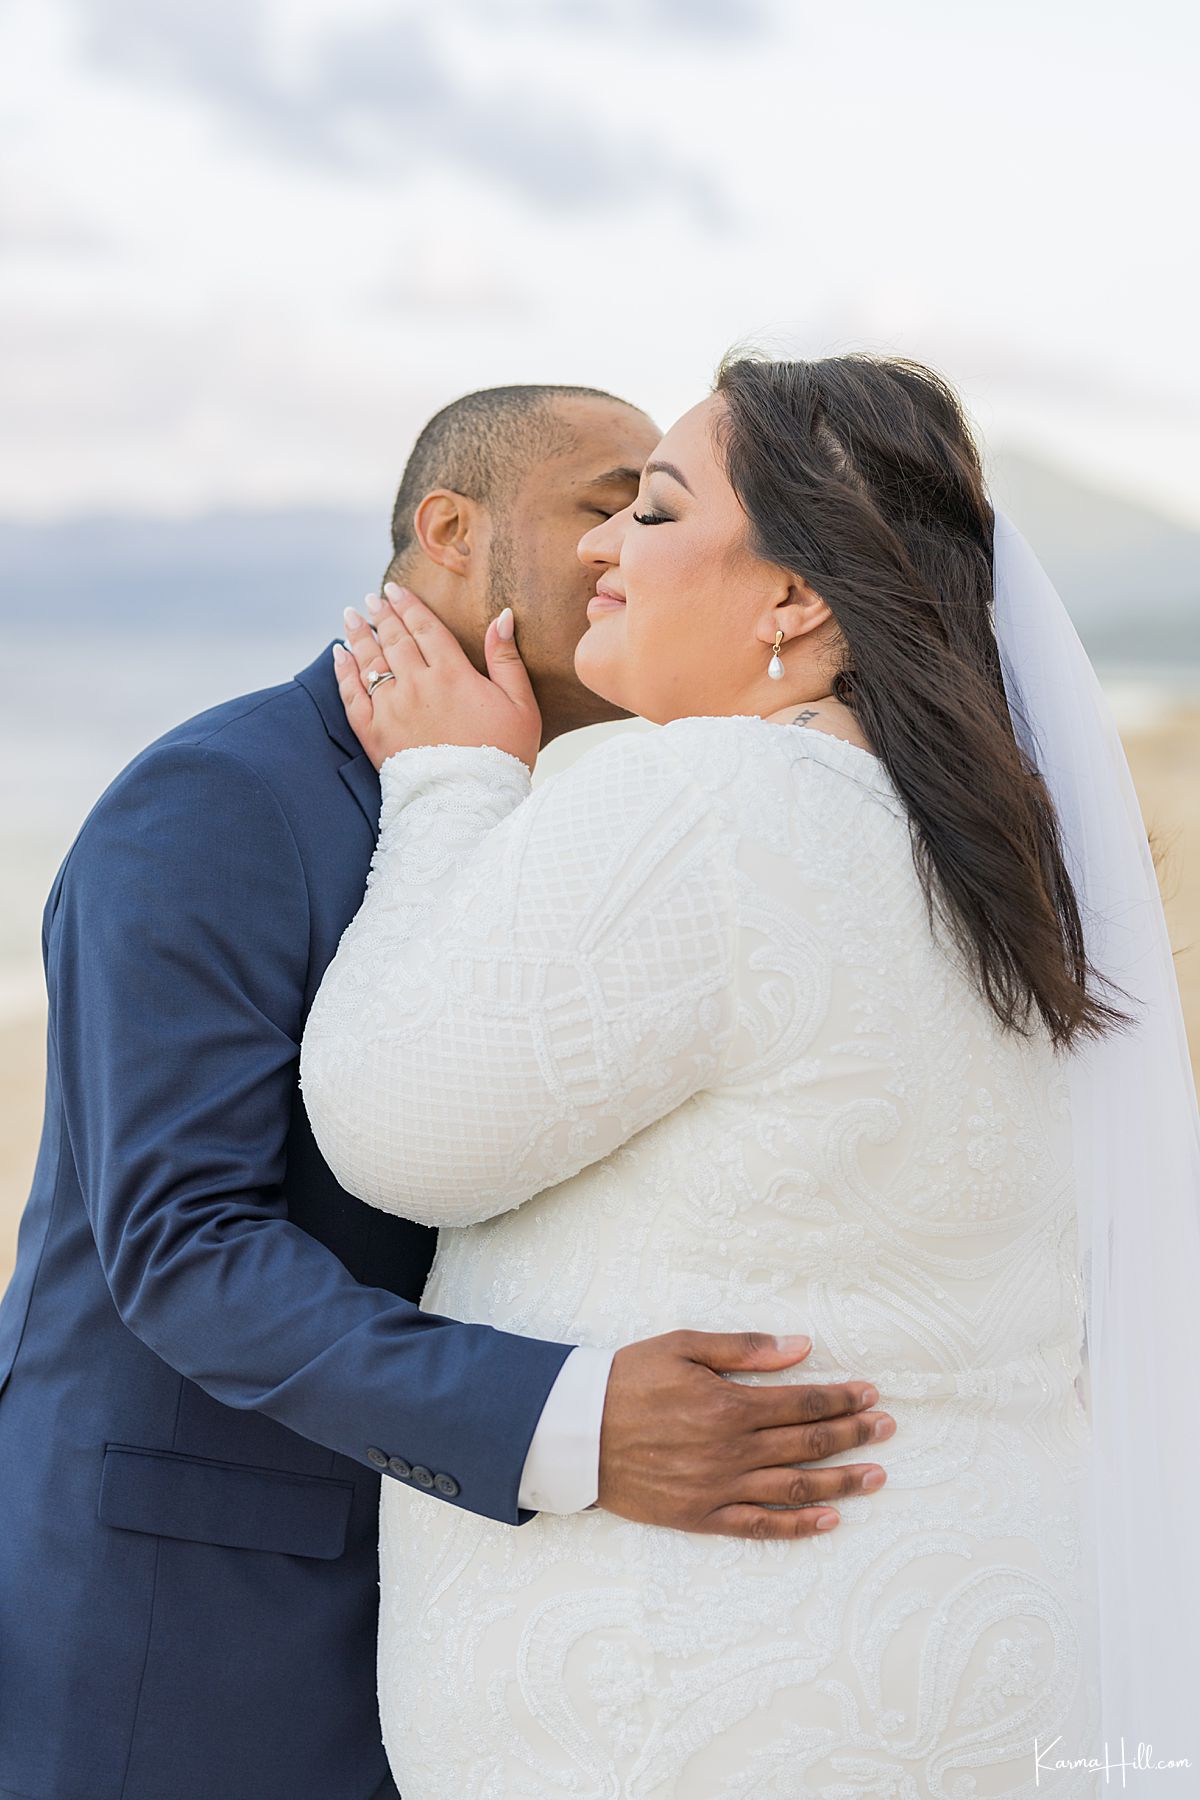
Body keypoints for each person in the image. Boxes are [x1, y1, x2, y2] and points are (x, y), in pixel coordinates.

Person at [0, 384, 892, 1800]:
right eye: (609, 503)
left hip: (463, 1639)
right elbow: (183, 1250)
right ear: (450, 530)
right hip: (187, 1632)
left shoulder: (555, 802)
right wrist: (577, 1423)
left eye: (660, 512)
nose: (628, 553)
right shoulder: (217, 798)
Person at [301, 352, 1117, 1796]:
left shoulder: (703, 798)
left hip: (707, 1706)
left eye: (658, 513)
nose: (608, 546)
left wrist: (449, 784)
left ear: (795, 601)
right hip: (982, 1664)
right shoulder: (1000, 871)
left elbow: (389, 1122)